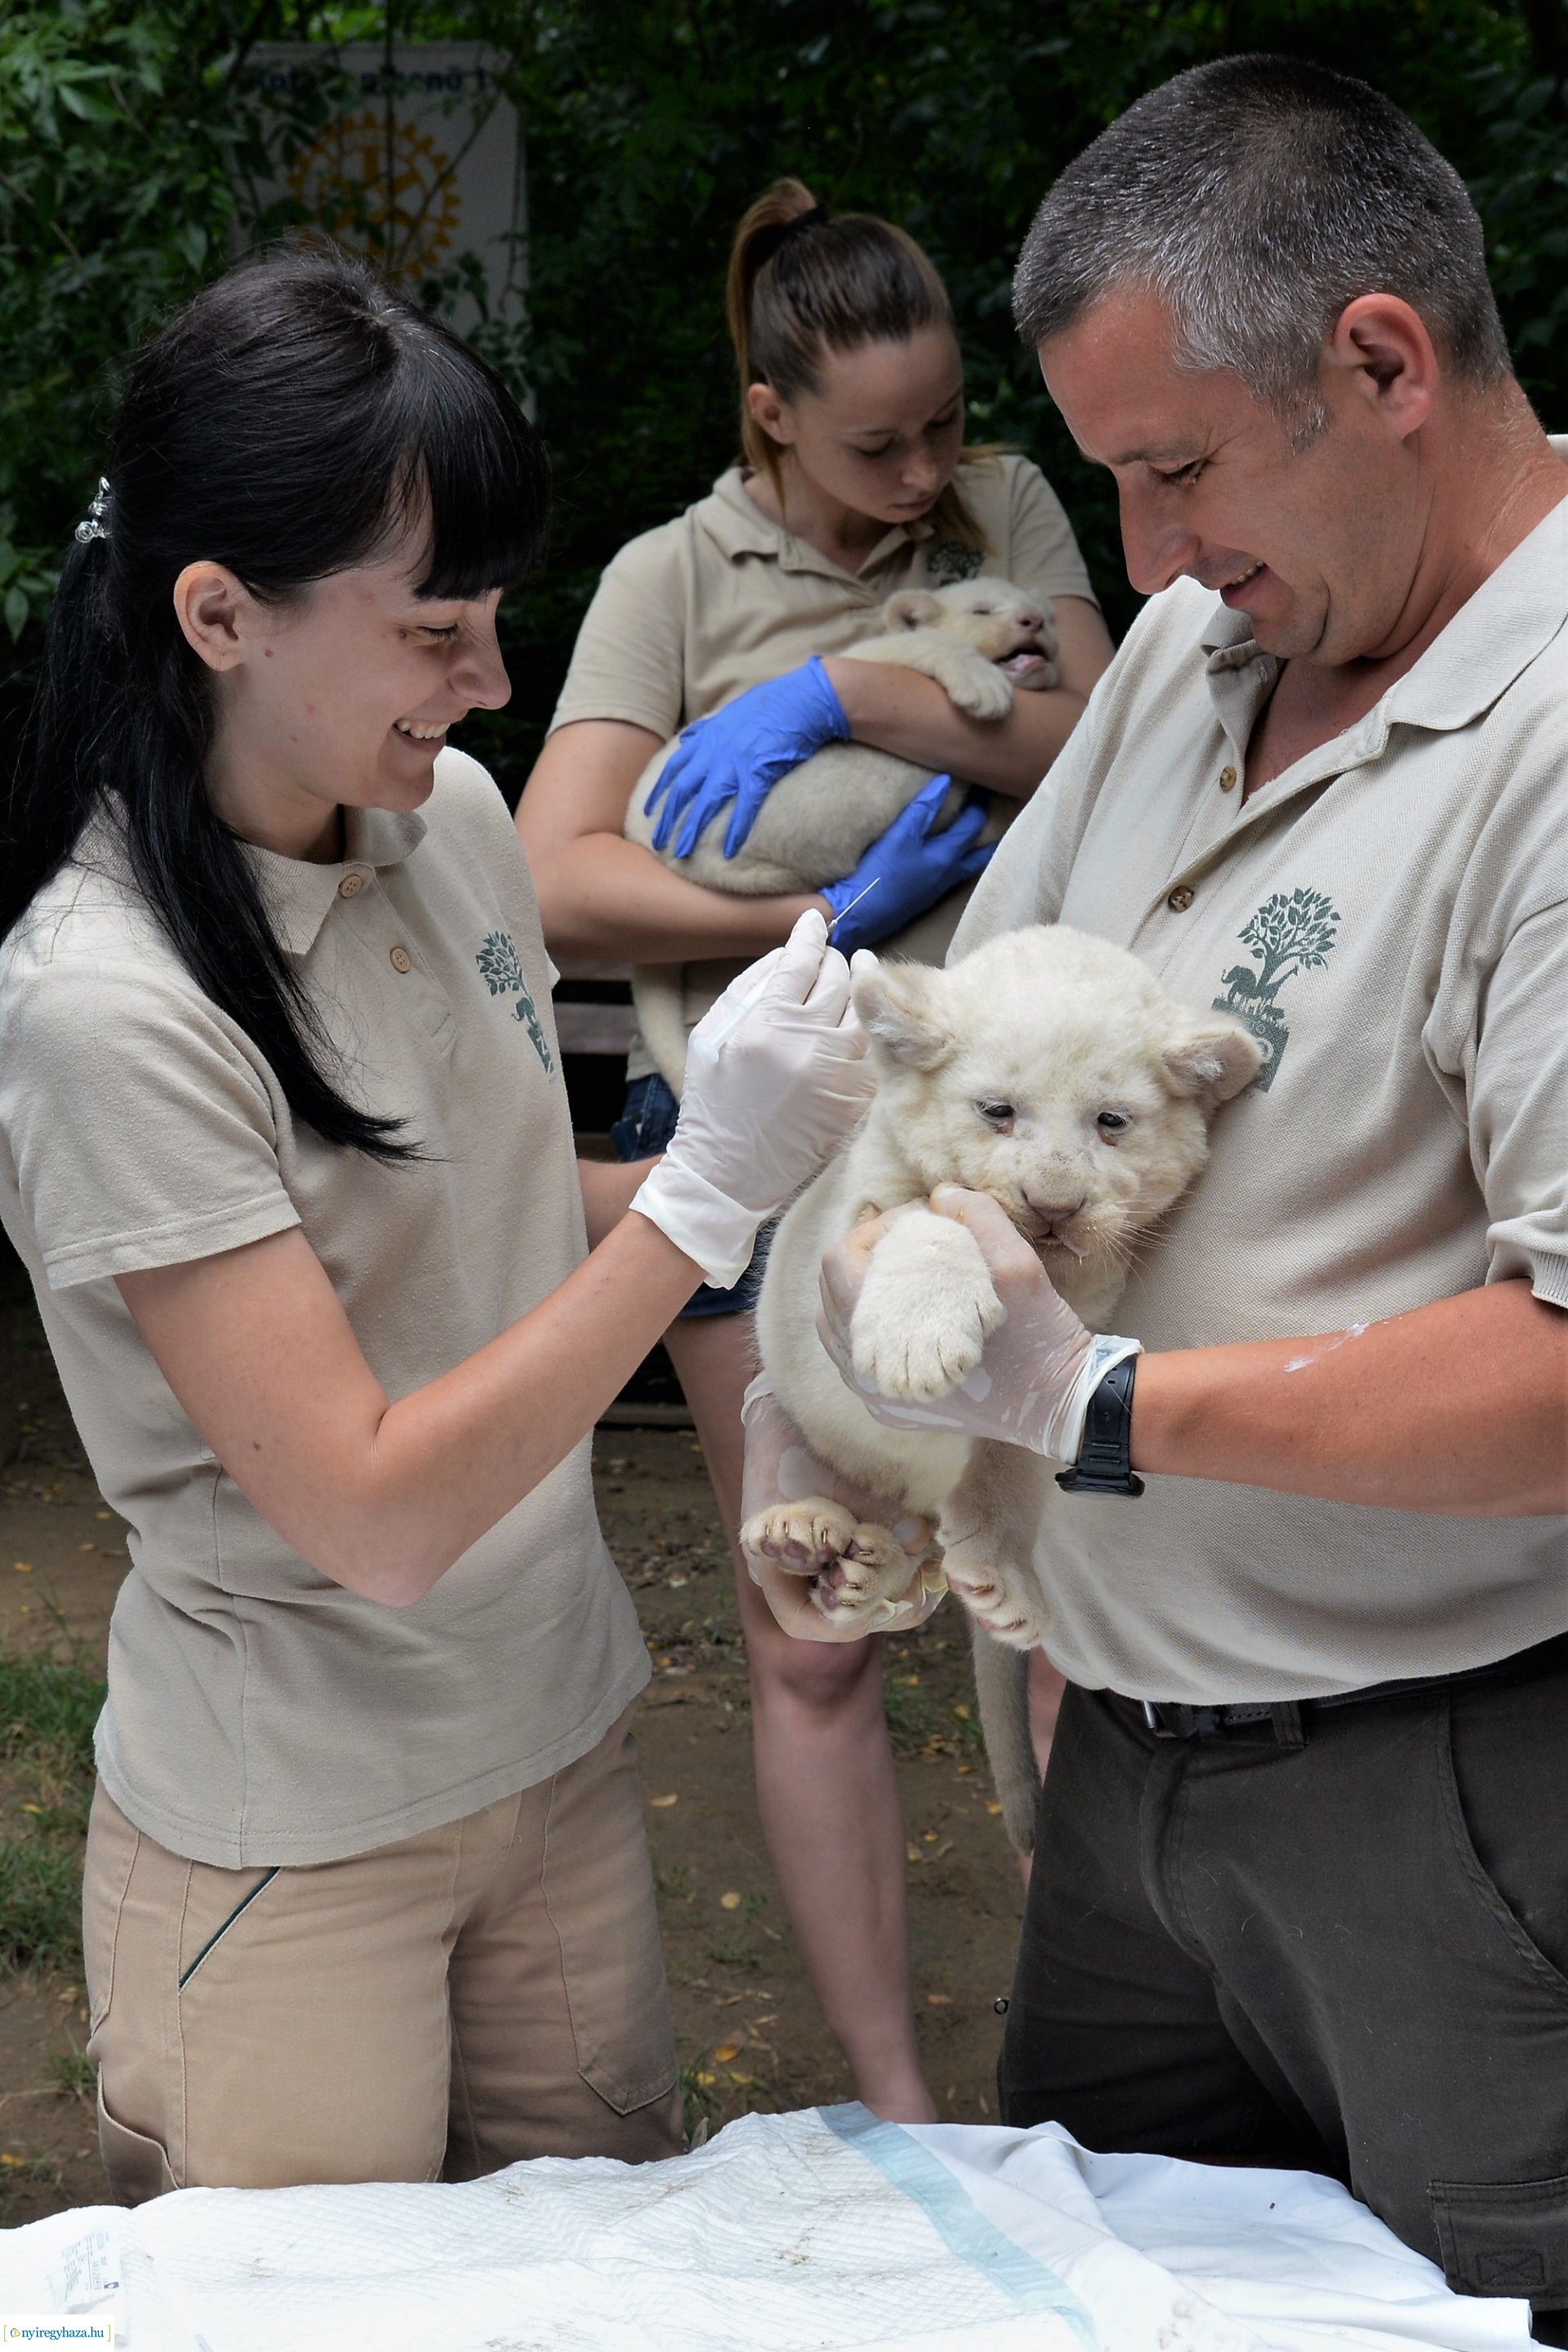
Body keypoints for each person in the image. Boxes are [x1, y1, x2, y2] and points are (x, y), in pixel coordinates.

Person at [765, 55, 1568, 2331]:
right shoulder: (1213, 654)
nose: (1143, 560)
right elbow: (974, 1058)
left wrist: (1100, 1406)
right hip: (1123, 1777)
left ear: (1384, 363)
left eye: (1176, 469)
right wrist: (850, 1274)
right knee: (1091, 2305)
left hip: (1454, 1792)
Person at [0, 248, 875, 2203]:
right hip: (293, 1833)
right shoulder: (107, 1001)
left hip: (554, 1747)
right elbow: (371, 1511)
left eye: (492, 618)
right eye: (433, 632)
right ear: (218, 614)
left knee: (597, 2283)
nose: (490, 682)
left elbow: (472, 1222)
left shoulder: (454, 821)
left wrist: (796, 1156)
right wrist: (705, 1202)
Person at [518, 178, 1112, 2118]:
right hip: (773, 1171)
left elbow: (1111, 748)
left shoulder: (1006, 511)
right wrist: (823, 923)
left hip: (1021, 1151)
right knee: (822, 1630)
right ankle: (909, 2114)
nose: (928, 468)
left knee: (1076, 1620)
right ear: (769, 410)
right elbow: (551, 877)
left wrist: (850, 692)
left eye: (946, 421)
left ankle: (1099, 2066)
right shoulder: (666, 580)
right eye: (878, 441)